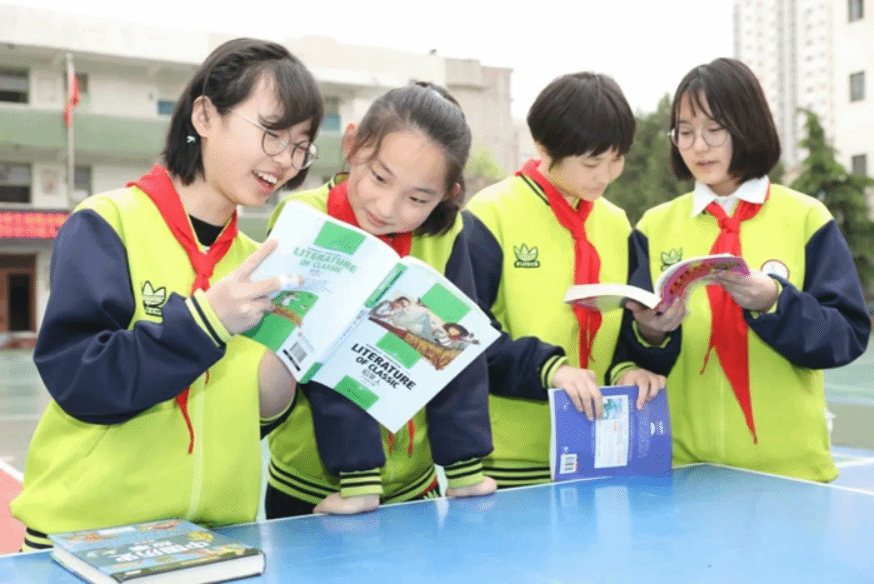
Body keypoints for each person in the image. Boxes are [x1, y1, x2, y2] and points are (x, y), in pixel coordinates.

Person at [10, 38, 324, 550]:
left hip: (217, 541)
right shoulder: (107, 223)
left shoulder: (260, 263)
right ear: (205, 115)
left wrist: (282, 378)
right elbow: (79, 380)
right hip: (88, 540)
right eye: (271, 133)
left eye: (300, 145)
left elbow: (250, 420)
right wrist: (205, 324)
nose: (286, 161)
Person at [626, 57, 870, 482]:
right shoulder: (653, 227)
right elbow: (630, 357)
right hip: (685, 474)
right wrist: (651, 333)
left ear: (747, 126)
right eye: (685, 132)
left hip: (791, 476)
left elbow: (845, 337)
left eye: (714, 129)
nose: (698, 146)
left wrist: (774, 303)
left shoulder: (806, 218)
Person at [265, 82, 496, 517]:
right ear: (352, 145)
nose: (387, 208)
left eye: (417, 198)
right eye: (379, 178)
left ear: (447, 194)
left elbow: (457, 350)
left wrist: (464, 468)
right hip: (312, 487)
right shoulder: (304, 218)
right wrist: (359, 476)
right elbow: (315, 349)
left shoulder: (445, 235)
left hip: (415, 486)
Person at [464, 72, 677, 488]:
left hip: (601, 452)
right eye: (591, 163)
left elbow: (625, 328)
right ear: (544, 147)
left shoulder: (617, 224)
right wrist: (551, 369)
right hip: (507, 462)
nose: (605, 176)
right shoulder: (490, 214)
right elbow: (462, 336)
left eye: (616, 159)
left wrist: (630, 369)